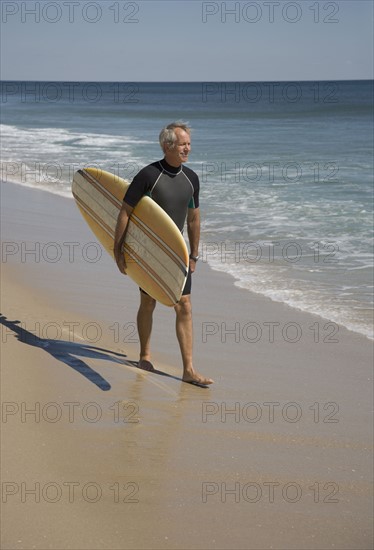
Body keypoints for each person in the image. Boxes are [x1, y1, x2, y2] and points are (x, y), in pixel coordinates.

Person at [114, 121, 214, 386]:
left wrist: (194, 254)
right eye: (183, 144)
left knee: (185, 306)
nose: (187, 149)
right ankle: (145, 355)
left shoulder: (191, 178)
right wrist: (118, 249)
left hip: (177, 253)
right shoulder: (148, 175)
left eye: (189, 144)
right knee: (149, 303)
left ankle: (189, 369)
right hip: (151, 253)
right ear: (167, 145)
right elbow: (125, 211)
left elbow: (193, 219)